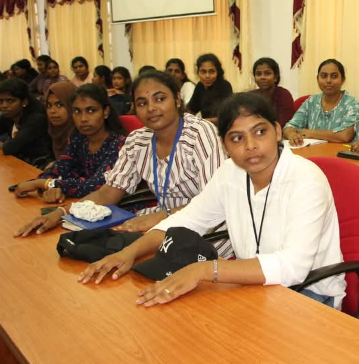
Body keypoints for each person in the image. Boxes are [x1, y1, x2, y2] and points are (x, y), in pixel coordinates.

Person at [74, 93, 346, 309]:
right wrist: (129, 252)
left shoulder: (306, 180)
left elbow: (293, 267)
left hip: (310, 293)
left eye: (260, 132)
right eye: (237, 138)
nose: (250, 145)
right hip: (256, 286)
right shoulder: (230, 173)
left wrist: (205, 270)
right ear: (225, 146)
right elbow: (188, 219)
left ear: (277, 131)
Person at [15, 71, 228, 249]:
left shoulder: (200, 134)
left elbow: (214, 202)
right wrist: (62, 212)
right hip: (160, 226)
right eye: (142, 103)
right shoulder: (137, 140)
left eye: (160, 99)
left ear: (178, 99)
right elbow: (109, 192)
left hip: (208, 232)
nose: (151, 108)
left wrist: (163, 216)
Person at [13, 84, 127, 203]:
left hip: (115, 208)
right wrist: (53, 189)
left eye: (91, 111)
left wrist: (45, 184)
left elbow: (97, 186)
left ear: (106, 112)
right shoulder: (78, 139)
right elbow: (57, 170)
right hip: (78, 204)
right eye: (77, 111)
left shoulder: (119, 145)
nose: (83, 118)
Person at [283, 59, 359, 146]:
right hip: (313, 152)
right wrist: (292, 135)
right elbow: (289, 126)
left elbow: (345, 135)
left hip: (343, 153)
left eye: (334, 76)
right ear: (317, 79)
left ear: (342, 79)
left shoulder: (352, 104)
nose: (328, 80)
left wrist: (311, 133)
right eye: (324, 76)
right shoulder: (311, 102)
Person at [0, 78, 53, 167]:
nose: (4, 106)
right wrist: (5, 146)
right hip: (19, 163)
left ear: (24, 102)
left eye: (10, 101)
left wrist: (6, 147)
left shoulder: (36, 119)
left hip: (40, 165)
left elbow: (11, 148)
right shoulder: (8, 116)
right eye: (1, 101)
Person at [185, 54, 232, 122]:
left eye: (211, 71)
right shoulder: (200, 86)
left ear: (218, 72)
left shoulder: (224, 86)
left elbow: (226, 117)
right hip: (205, 125)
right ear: (198, 72)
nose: (207, 76)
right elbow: (191, 110)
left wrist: (201, 121)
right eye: (203, 72)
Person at [250, 57, 294, 127]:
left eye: (267, 74)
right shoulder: (250, 96)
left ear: (276, 77)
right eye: (258, 74)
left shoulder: (284, 95)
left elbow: (285, 124)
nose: (262, 77)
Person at [44, 82, 77, 158]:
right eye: (49, 105)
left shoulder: (83, 135)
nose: (52, 111)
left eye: (59, 105)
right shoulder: (51, 130)